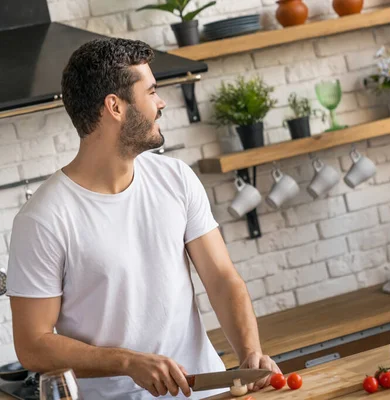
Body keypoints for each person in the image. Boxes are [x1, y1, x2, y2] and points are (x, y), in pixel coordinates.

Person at [6, 38, 280, 399]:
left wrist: (250, 351)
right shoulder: (43, 219)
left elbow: (222, 279)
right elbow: (33, 345)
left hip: (209, 391)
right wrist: (128, 362)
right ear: (115, 106)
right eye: (151, 92)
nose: (161, 102)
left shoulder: (175, 178)